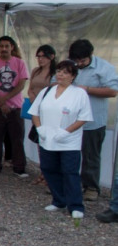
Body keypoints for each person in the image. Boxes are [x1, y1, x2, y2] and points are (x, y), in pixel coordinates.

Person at [29, 60, 92, 219]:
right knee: (49, 169)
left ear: (73, 76)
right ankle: (59, 200)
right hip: (47, 139)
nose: (60, 75)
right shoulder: (47, 91)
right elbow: (35, 112)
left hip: (68, 141)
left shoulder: (79, 94)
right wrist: (39, 128)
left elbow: (83, 118)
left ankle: (75, 205)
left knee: (70, 172)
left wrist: (66, 132)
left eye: (65, 72)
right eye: (59, 71)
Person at [68, 39, 118, 201]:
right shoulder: (70, 66)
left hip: (93, 121)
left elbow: (112, 91)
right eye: (76, 61)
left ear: (90, 55)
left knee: (91, 155)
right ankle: (70, 184)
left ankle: (91, 187)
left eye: (82, 61)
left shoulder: (104, 68)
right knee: (69, 153)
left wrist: (87, 89)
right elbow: (56, 81)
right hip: (70, 120)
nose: (79, 64)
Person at [0, 35, 29, 177]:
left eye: (6, 46)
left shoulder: (19, 63)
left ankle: (19, 166)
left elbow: (21, 84)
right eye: (1, 46)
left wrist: (5, 99)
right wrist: (0, 102)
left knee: (17, 137)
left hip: (15, 107)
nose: (3, 49)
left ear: (12, 47)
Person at [27, 45, 57, 186]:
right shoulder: (35, 71)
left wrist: (42, 103)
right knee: (40, 141)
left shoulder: (56, 73)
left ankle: (50, 173)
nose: (40, 59)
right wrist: (34, 100)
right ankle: (43, 171)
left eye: (43, 56)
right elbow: (30, 88)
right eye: (38, 56)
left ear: (51, 57)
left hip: (50, 111)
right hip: (36, 110)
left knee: (49, 142)